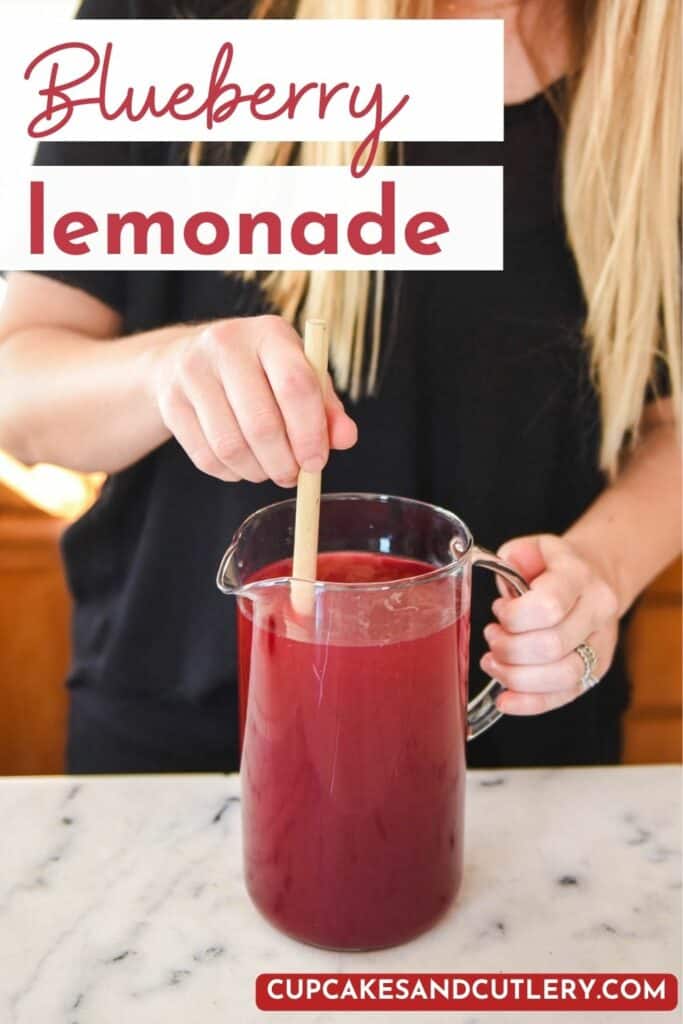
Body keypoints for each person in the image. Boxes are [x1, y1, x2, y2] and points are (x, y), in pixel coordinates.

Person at [0, 0, 679, 773]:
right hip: (187, 744)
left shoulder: (662, 74)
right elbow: (19, 391)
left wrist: (602, 569)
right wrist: (166, 372)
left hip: (514, 735)